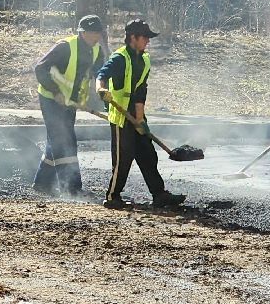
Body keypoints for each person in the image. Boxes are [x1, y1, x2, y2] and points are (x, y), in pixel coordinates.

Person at [95, 19, 187, 210]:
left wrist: (139, 119)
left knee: (148, 154)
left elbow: (140, 90)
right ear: (133, 38)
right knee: (123, 159)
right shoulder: (120, 58)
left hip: (135, 114)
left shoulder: (144, 59)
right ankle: (112, 197)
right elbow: (102, 75)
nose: (148, 41)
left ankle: (159, 194)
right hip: (121, 116)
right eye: (145, 37)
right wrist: (101, 89)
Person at [32, 15, 106, 197]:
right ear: (82, 33)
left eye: (98, 33)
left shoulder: (97, 51)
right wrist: (56, 91)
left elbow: (99, 74)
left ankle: (42, 183)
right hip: (51, 99)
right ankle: (72, 188)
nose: (96, 36)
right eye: (93, 33)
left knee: (56, 141)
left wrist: (101, 95)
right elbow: (40, 68)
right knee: (65, 140)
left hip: (70, 102)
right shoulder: (65, 47)